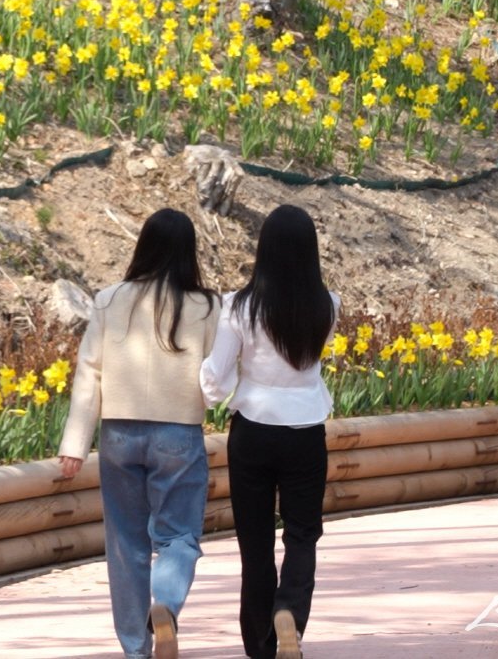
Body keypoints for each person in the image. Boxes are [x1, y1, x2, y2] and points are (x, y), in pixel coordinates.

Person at [58, 207, 220, 659]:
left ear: (142, 246)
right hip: (178, 434)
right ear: (189, 252)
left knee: (125, 543)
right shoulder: (207, 306)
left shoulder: (109, 300)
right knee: (179, 537)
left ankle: (135, 650)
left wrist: (74, 444)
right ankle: (164, 604)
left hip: (118, 436)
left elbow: (88, 373)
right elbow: (217, 374)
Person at [200, 204, 338, 659]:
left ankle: (261, 647)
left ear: (263, 250)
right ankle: (290, 614)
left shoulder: (238, 307)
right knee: (302, 535)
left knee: (254, 545)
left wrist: (204, 395)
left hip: (253, 432)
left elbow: (216, 378)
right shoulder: (328, 306)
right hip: (305, 430)